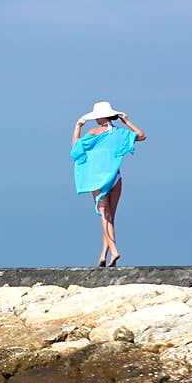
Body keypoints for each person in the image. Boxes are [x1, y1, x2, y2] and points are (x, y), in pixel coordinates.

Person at [70, 101, 146, 267]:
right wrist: (126, 121)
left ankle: (114, 250)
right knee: (110, 218)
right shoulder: (119, 133)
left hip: (98, 180)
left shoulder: (94, 133)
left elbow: (75, 149)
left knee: (105, 216)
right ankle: (103, 256)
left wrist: (78, 126)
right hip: (115, 178)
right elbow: (141, 135)